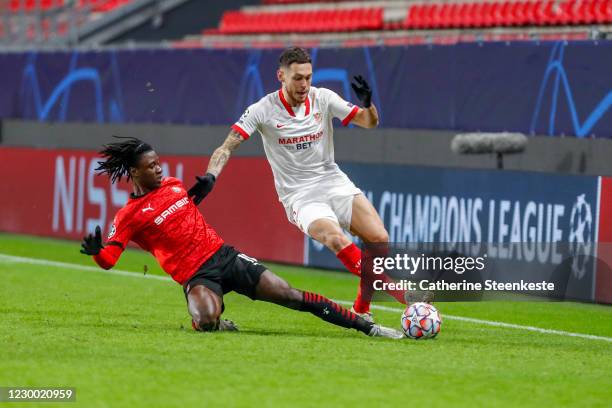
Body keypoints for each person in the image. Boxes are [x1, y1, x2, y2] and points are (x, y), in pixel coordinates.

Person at [79, 136, 404, 339]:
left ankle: (368, 327)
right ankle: (215, 321)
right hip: (197, 275)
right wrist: (97, 252)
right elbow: (109, 261)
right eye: (151, 167)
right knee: (206, 320)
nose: (159, 170)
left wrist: (202, 190)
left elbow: (181, 212)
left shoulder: (173, 185)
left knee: (289, 295)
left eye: (159, 163)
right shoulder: (129, 216)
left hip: (225, 257)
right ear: (134, 173)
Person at [189, 46, 418, 321]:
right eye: (298, 78)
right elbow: (227, 147)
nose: (304, 84)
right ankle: (402, 295)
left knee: (379, 238)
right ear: (281, 76)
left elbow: (369, 123)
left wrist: (368, 104)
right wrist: (212, 175)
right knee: (335, 238)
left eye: (308, 77)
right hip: (300, 195)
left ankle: (361, 310)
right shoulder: (262, 109)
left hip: (332, 181)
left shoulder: (323, 98)